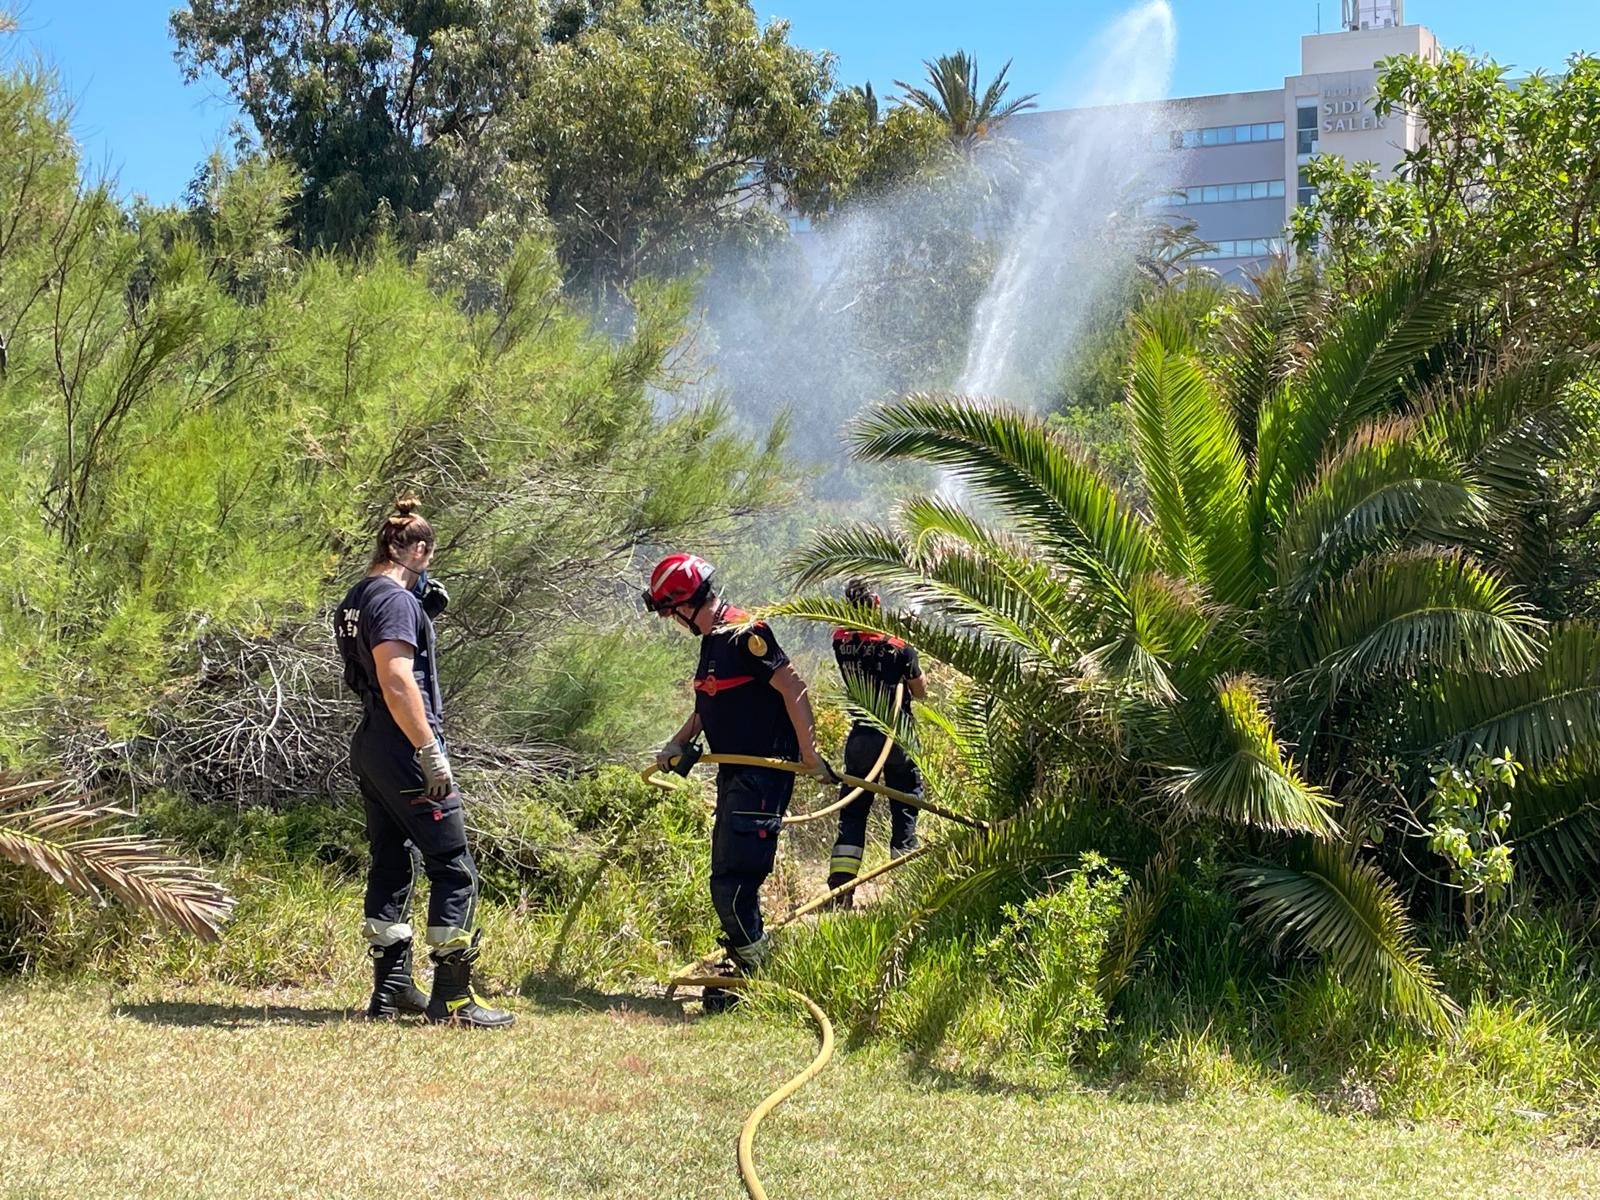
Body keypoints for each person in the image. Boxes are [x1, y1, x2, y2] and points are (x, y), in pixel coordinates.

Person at [334, 498, 513, 1028]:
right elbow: (396, 678)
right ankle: (454, 998)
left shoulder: (357, 596)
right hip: (403, 746)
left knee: (390, 861)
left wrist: (421, 614)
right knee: (453, 866)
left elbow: (372, 658)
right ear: (414, 550)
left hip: (370, 744)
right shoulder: (393, 600)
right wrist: (429, 752)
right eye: (426, 555)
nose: (427, 566)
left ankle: (389, 991)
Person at [644, 553, 831, 1009]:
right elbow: (709, 705)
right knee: (727, 877)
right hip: (737, 772)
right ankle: (748, 967)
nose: (670, 620)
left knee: (734, 883)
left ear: (688, 603)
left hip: (764, 773)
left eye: (671, 611)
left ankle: (757, 978)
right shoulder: (712, 640)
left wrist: (809, 757)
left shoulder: (747, 632)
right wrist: (676, 741)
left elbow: (794, 688)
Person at [826, 578, 927, 907]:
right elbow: (920, 690)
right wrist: (909, 650)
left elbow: (862, 642)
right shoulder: (897, 645)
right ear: (876, 604)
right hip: (897, 738)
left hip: (861, 738)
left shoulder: (841, 640)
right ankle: (907, 889)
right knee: (905, 810)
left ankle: (841, 892)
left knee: (853, 814)